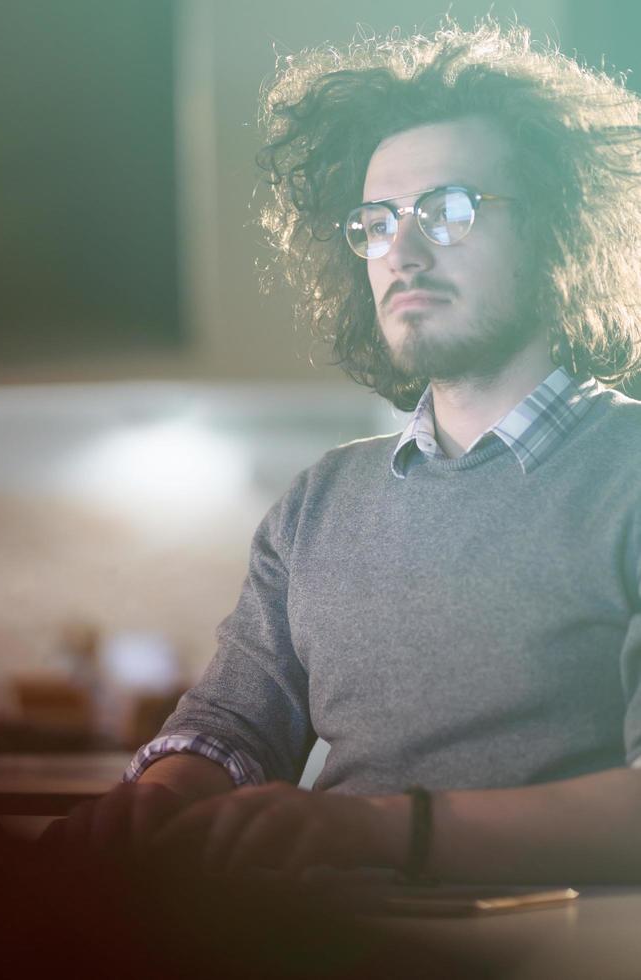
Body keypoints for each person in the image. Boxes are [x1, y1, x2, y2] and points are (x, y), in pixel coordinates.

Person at [52, 21, 641, 883]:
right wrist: (161, 801)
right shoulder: (320, 499)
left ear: (558, 231)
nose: (400, 252)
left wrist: (378, 834)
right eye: (376, 222)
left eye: (448, 210)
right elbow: (231, 728)